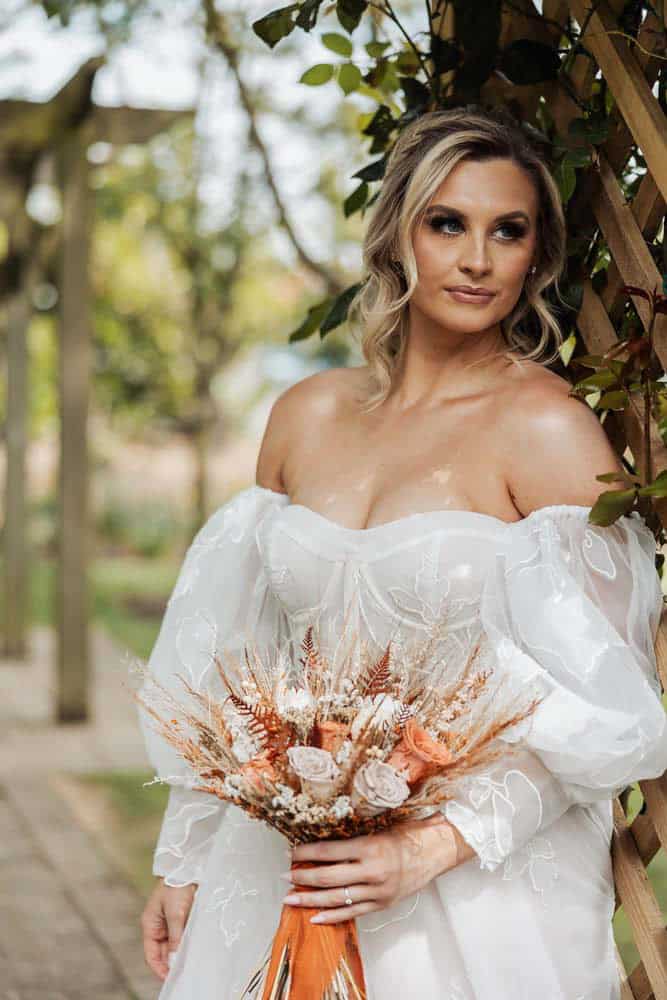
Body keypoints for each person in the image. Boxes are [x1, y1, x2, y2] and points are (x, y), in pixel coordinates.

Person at [138, 106, 667, 998]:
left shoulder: (546, 433)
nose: (475, 259)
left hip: (475, 887)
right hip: (282, 862)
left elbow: (613, 711)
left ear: (535, 258)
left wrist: (431, 847)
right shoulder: (304, 414)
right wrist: (183, 856)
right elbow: (234, 660)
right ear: (396, 238)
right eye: (446, 223)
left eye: (508, 232)